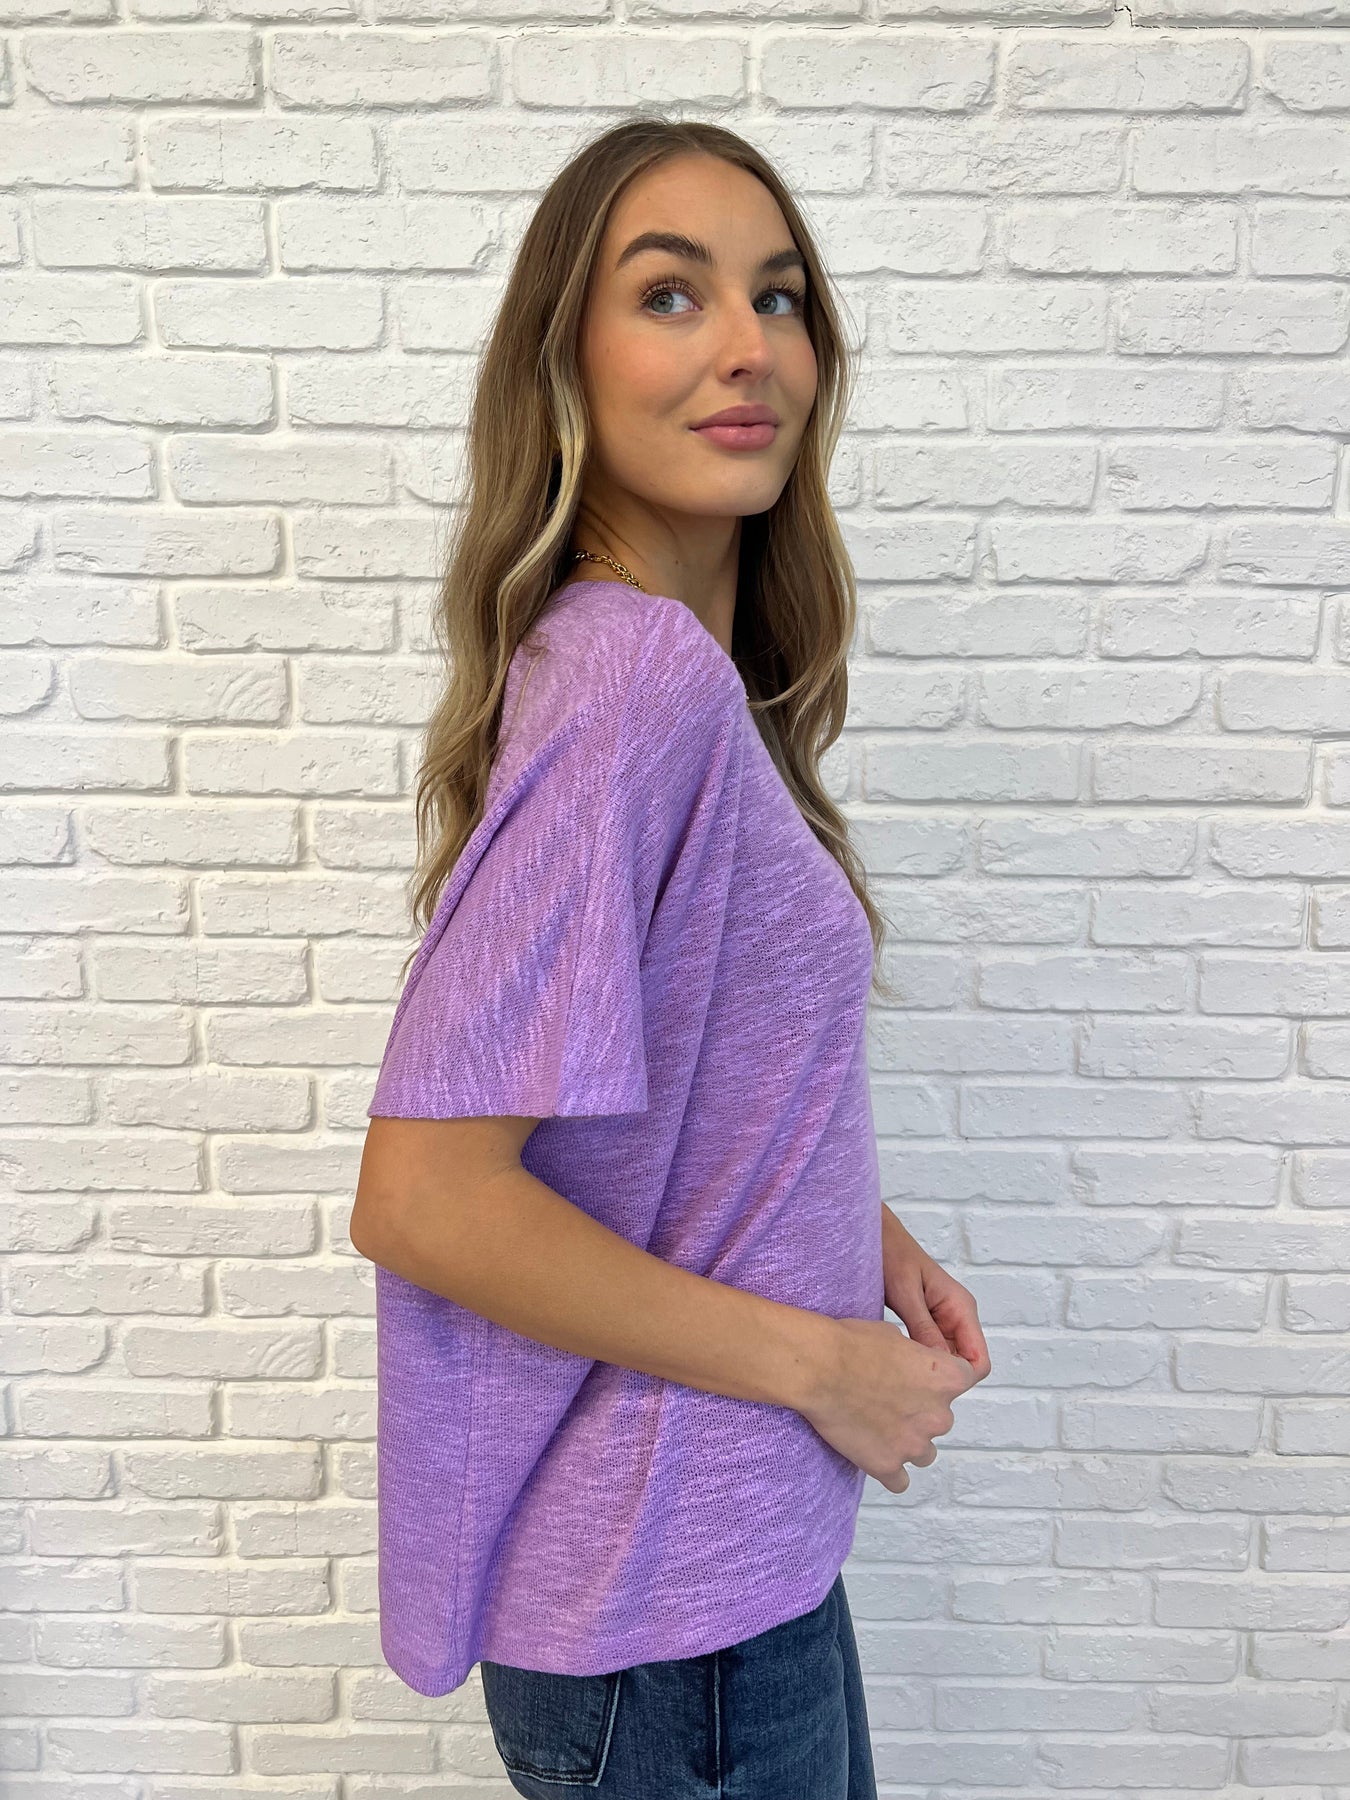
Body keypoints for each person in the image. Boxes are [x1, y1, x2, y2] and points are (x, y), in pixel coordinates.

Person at [350, 115, 991, 1799]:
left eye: (777, 297)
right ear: (563, 361)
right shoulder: (631, 685)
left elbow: (681, 1071)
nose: (745, 346)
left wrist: (862, 1238)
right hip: (668, 1625)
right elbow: (424, 1198)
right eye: (668, 294)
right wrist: (826, 1368)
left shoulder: (686, 686)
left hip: (724, 1577)